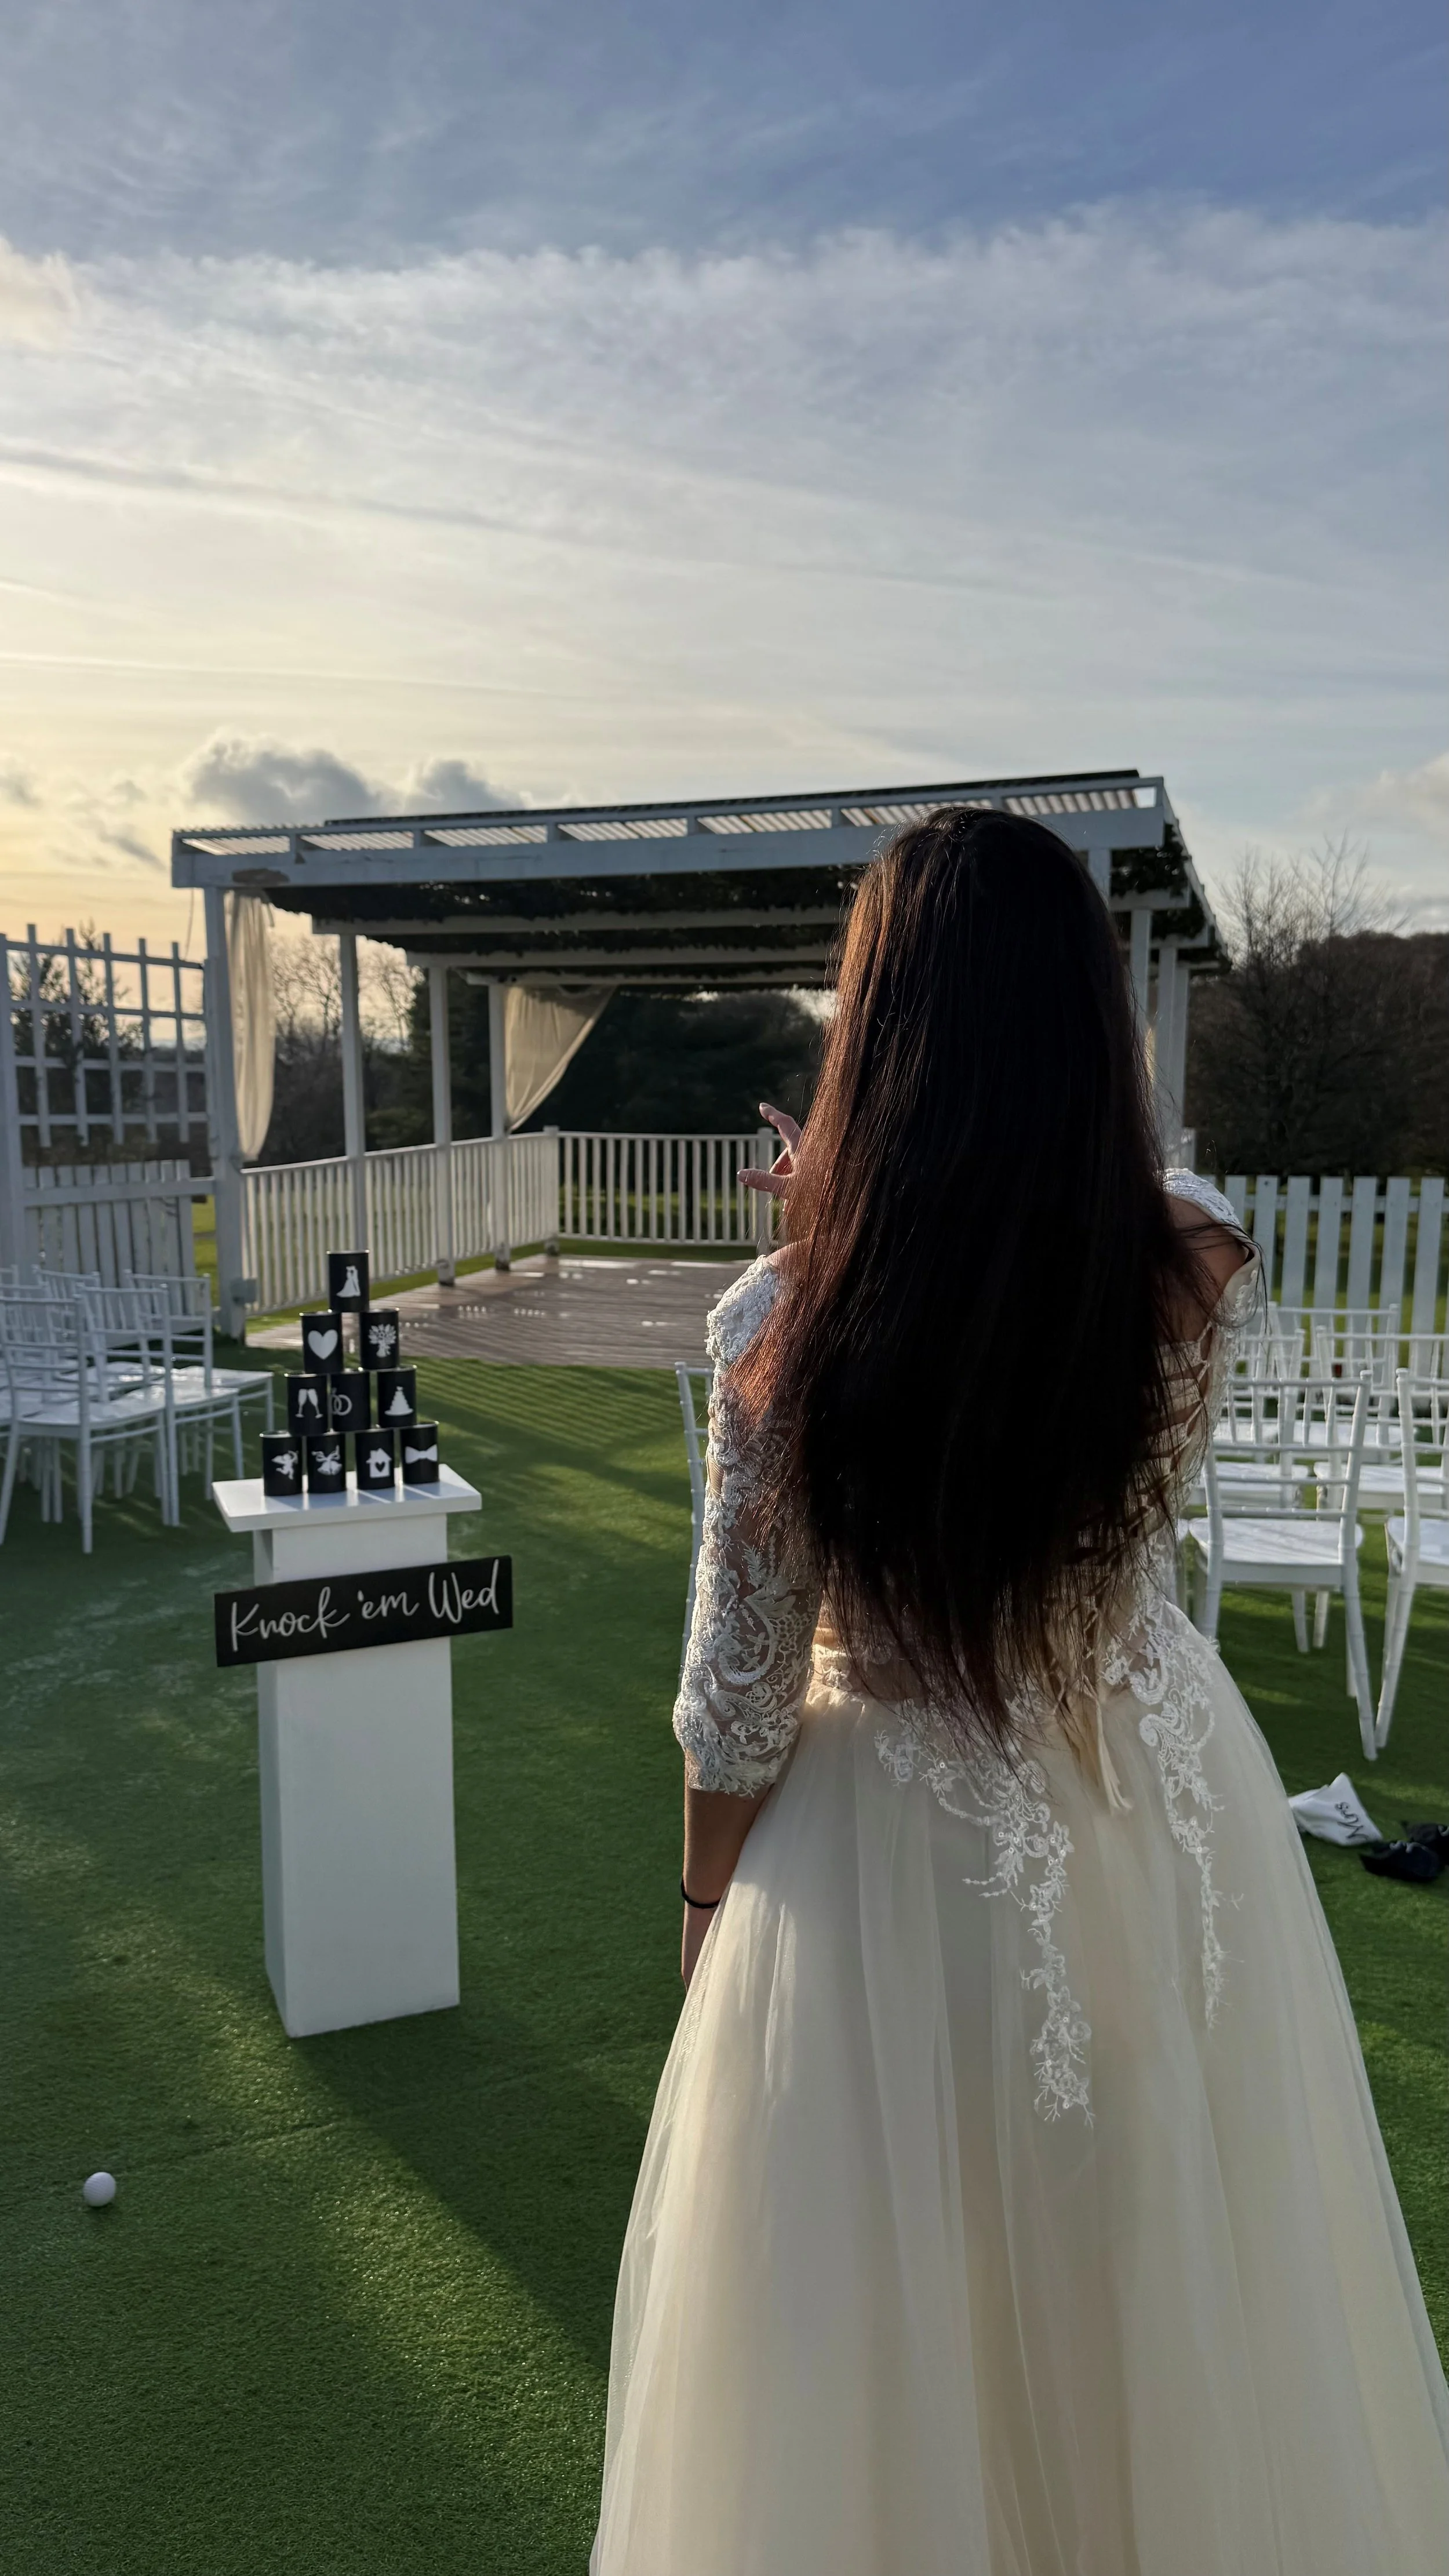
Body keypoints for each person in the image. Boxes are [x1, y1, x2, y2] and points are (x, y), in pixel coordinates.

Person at [589, 810, 1449, 2576]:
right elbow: (1110, 1231)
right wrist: (879, 1204)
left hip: (887, 1850)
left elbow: (737, 1701)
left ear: (870, 1035)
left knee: (893, 2332)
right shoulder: (1189, 1269)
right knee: (1148, 2254)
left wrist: (699, 1912)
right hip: (1153, 1797)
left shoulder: (782, 1332)